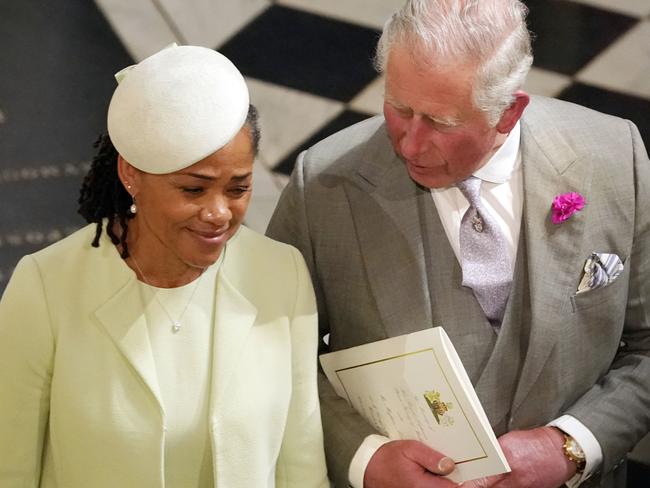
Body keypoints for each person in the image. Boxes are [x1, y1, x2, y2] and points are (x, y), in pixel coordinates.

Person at [266, 1, 650, 487]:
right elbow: (271, 355)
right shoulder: (321, 185)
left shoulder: (615, 156)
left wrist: (572, 445)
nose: (408, 143)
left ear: (509, 111)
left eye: (441, 123)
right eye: (399, 108)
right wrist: (367, 457)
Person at [0, 44, 329, 488]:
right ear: (131, 174)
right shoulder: (46, 286)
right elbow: (10, 467)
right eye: (194, 190)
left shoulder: (281, 274)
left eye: (238, 188)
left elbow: (301, 461)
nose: (219, 213)